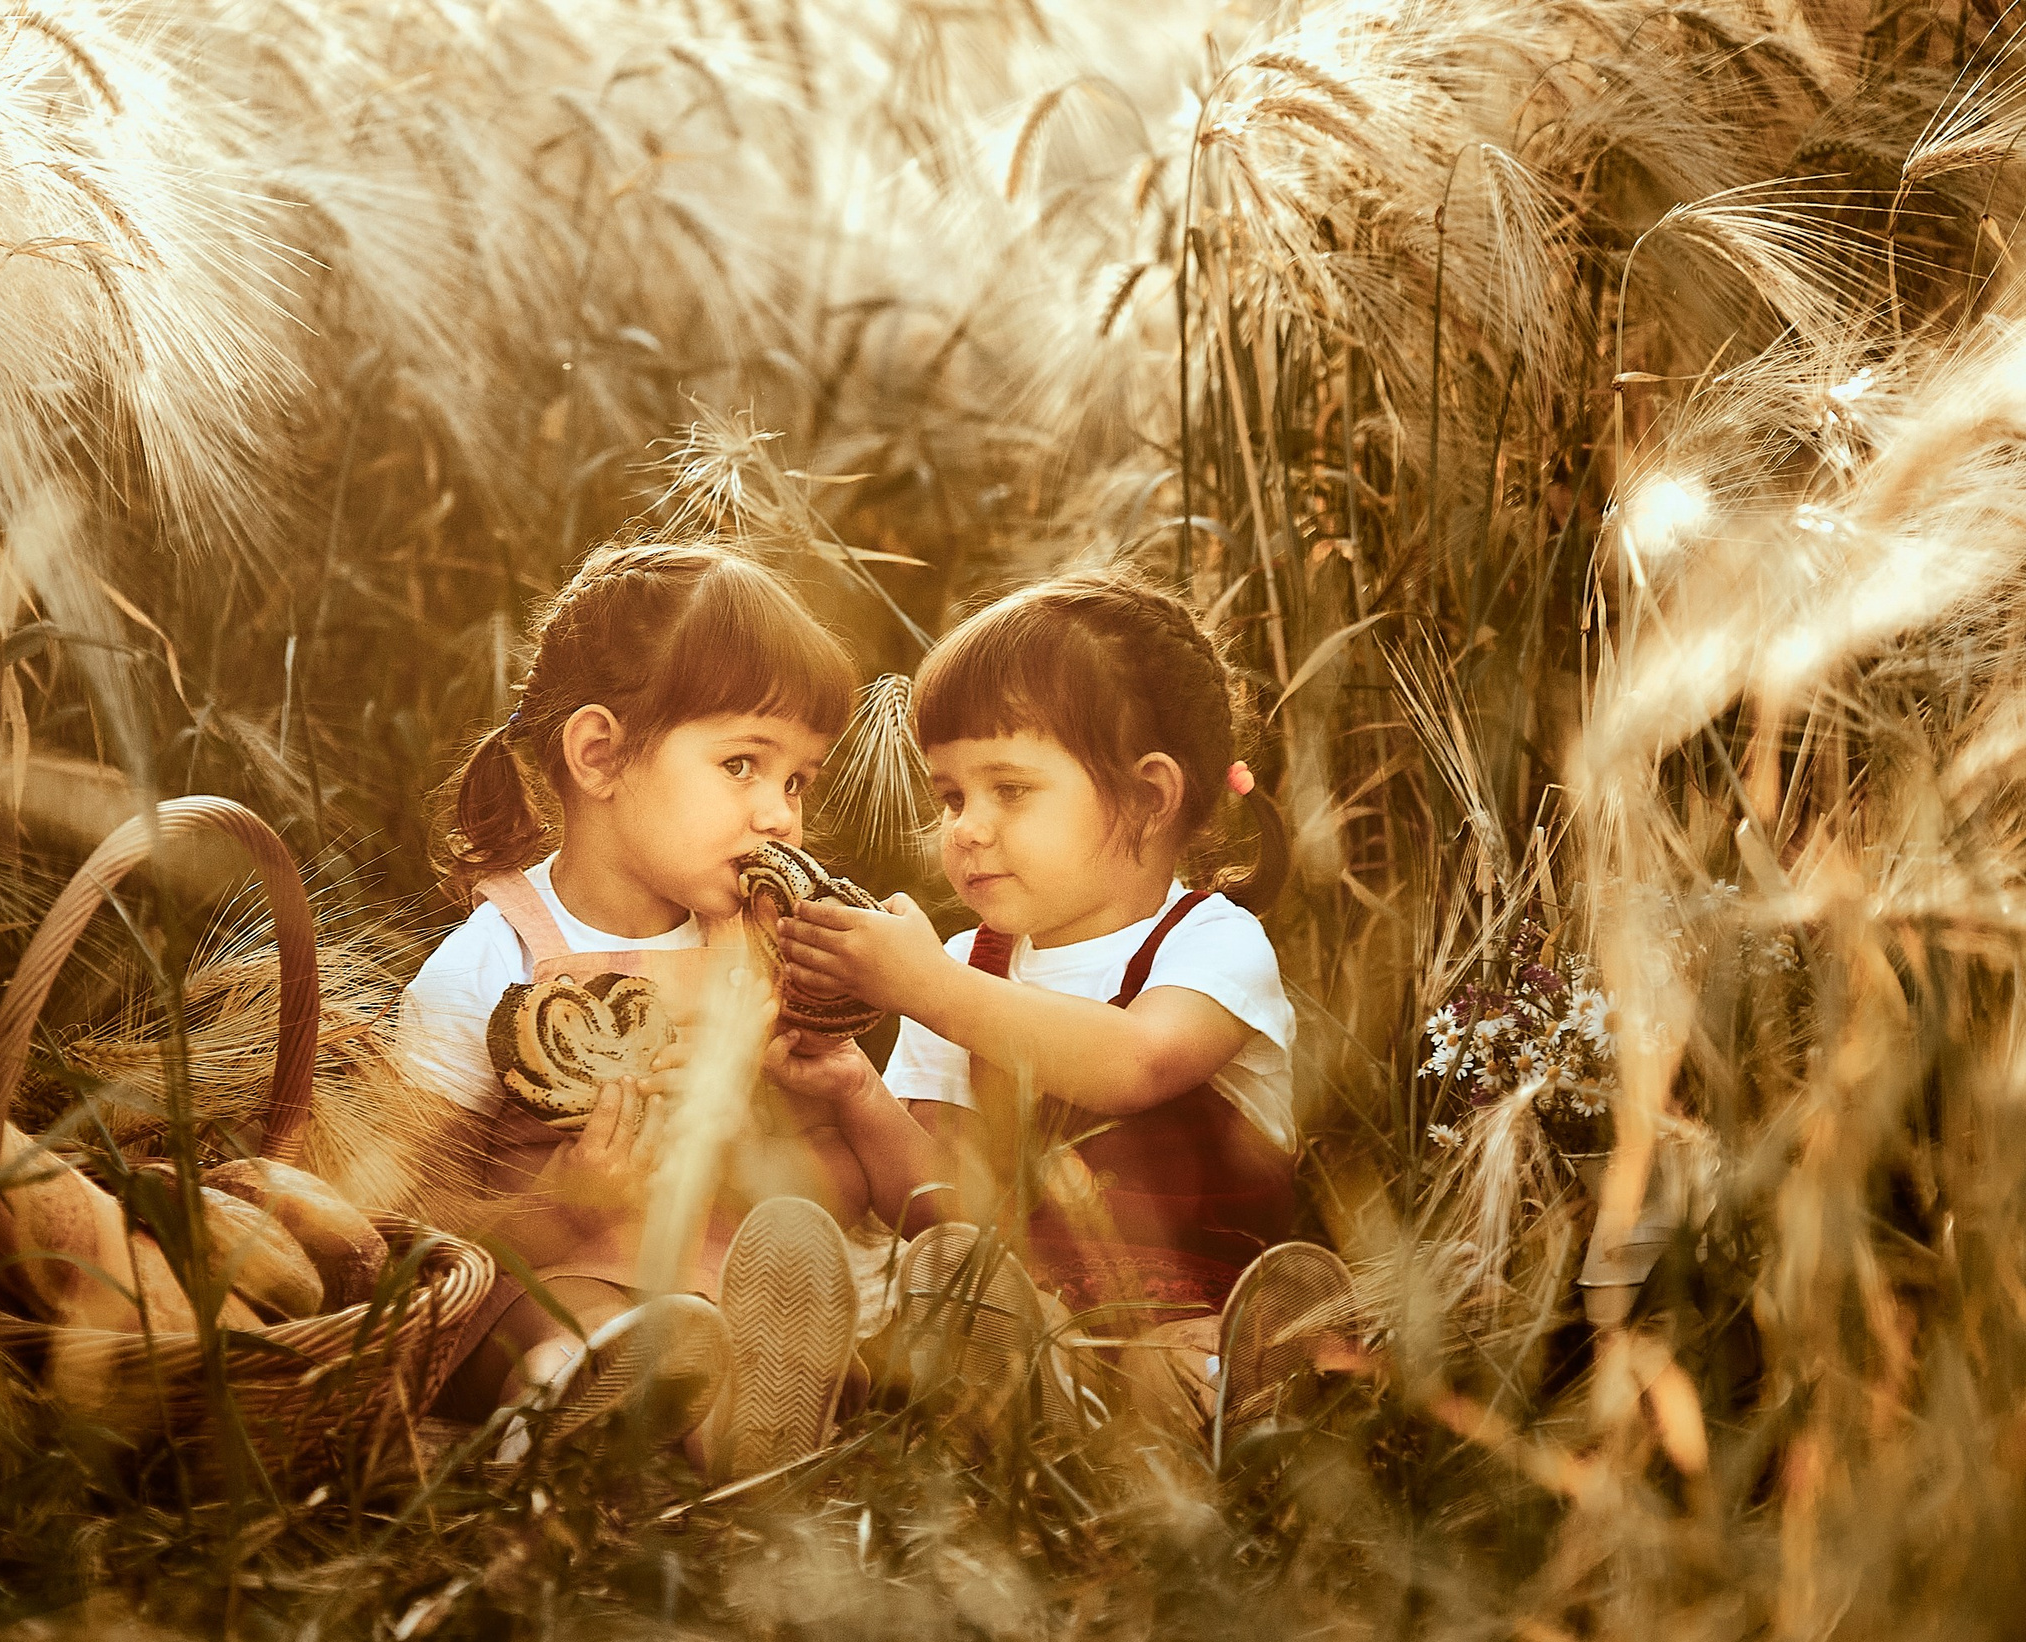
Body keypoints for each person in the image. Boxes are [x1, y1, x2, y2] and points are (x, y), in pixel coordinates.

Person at [768, 566, 1357, 1444]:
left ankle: (1232, 1389)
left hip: (1193, 1306)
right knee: (948, 1302)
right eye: (951, 795)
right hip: (1028, 1311)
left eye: (1010, 789)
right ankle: (802, 1383)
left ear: (1150, 797)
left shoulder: (1213, 942)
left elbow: (1136, 1061)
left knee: (1175, 1377)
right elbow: (939, 1203)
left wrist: (926, 989)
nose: (967, 827)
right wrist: (855, 1088)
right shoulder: (971, 964)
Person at [393, 538, 893, 1476]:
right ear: (600, 754)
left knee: (731, 1323)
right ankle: (559, 1404)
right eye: (742, 763)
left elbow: (838, 1168)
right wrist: (567, 1200)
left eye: (797, 780)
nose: (781, 814)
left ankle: (746, 1421)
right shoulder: (492, 965)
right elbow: (414, 1230)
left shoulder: (759, 949)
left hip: (719, 1273)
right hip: (549, 1277)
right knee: (575, 1327)